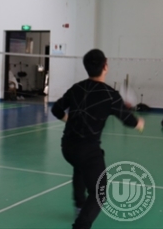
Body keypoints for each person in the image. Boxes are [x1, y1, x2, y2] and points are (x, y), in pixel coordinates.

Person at [52, 49, 144, 229]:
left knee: (79, 168)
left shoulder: (77, 88)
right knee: (100, 193)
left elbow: (56, 109)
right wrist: (139, 123)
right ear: (105, 66)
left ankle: (80, 206)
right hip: (88, 151)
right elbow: (128, 120)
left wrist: (68, 119)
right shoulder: (110, 94)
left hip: (67, 148)